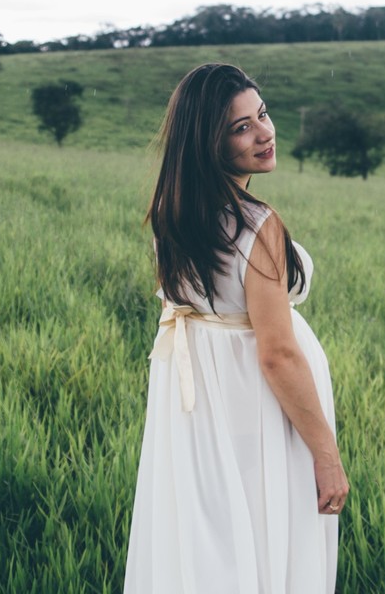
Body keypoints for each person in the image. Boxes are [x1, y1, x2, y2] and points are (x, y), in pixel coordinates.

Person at [124, 63, 348, 594]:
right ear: (208, 143)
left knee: (215, 541)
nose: (264, 133)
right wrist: (326, 454)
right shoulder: (257, 225)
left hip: (205, 405)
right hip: (257, 406)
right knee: (268, 536)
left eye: (262, 114)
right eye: (240, 127)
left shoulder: (172, 211)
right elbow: (277, 354)